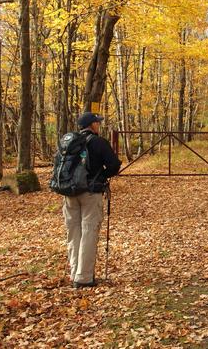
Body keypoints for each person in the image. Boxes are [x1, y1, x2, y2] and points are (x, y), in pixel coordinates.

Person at [63, 112, 121, 288]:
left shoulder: (69, 141)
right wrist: (100, 176)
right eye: (97, 122)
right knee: (88, 233)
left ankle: (74, 273)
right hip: (91, 193)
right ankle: (84, 277)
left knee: (73, 234)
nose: (99, 124)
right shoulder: (98, 142)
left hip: (69, 193)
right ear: (92, 125)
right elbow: (114, 165)